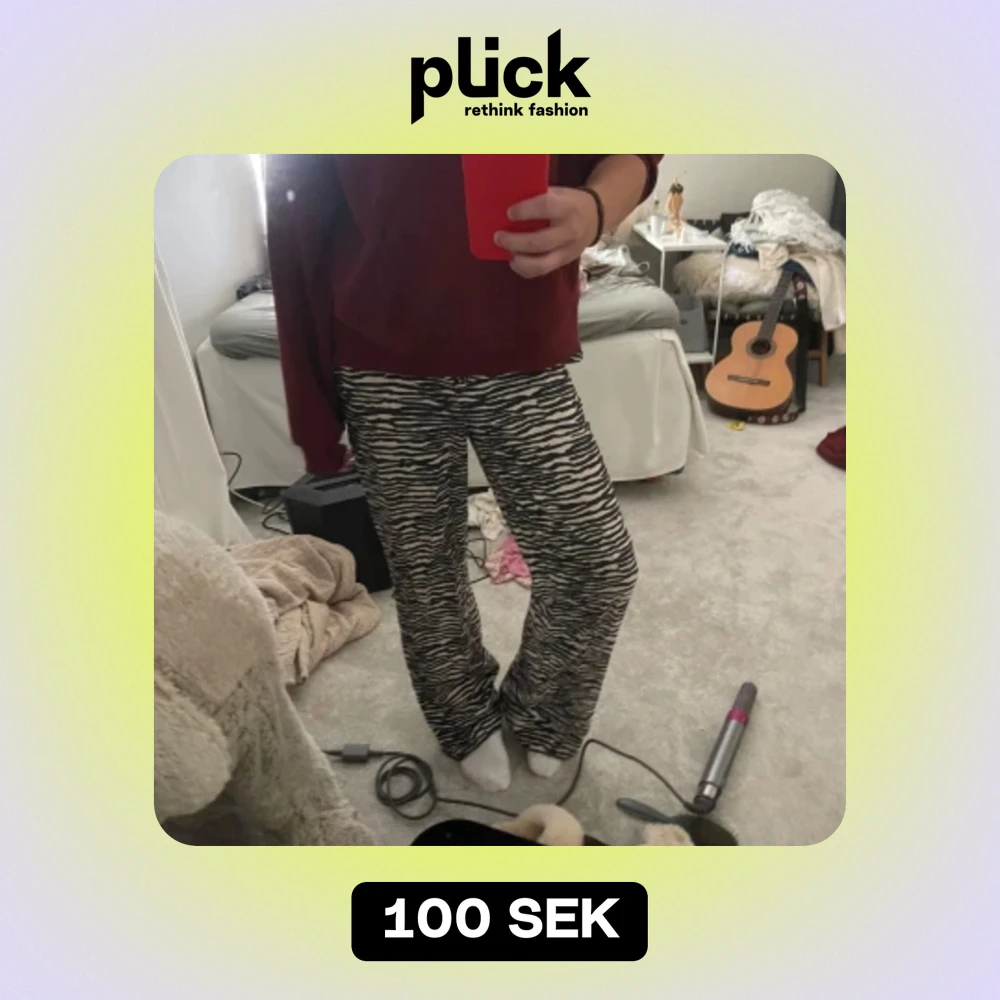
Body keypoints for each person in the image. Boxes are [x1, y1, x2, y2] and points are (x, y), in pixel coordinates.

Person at [266, 154, 661, 791]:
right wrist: (313, 414)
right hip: (379, 353)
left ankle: (544, 712)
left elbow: (636, 141)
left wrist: (593, 211)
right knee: (426, 572)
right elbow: (296, 212)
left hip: (520, 341)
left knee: (597, 565)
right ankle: (463, 718)